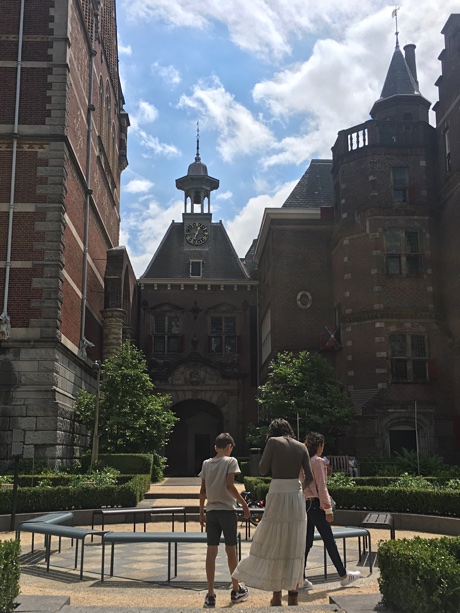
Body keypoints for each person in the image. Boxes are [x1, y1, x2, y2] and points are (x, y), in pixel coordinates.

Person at [232, 418, 313, 607]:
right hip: (296, 495)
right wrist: (298, 489)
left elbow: (261, 470)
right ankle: (293, 593)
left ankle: (276, 595)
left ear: (273, 431)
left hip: (277, 492)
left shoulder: (273, 442)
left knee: (276, 540)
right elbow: (309, 477)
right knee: (294, 543)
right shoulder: (302, 446)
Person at [199, 432, 251, 608]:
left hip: (211, 510)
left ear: (215, 447)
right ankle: (236, 590)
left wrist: (201, 512)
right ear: (229, 447)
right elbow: (229, 486)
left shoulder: (206, 463)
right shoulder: (231, 461)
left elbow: (203, 491)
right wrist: (244, 504)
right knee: (231, 551)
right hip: (227, 511)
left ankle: (211, 594)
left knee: (211, 552)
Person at [303, 432, 362, 587]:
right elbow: (322, 487)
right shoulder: (318, 461)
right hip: (316, 505)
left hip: (305, 504)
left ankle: (299, 578)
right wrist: (328, 510)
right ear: (319, 446)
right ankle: (343, 575)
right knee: (329, 540)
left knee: (307, 542)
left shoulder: (304, 461)